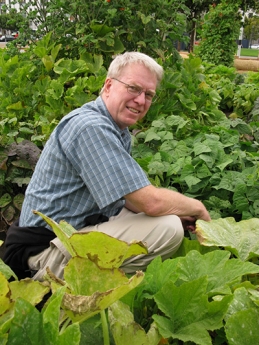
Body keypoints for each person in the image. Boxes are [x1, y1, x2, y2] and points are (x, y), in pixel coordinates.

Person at [4, 51, 211, 281]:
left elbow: (130, 199)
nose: (141, 101)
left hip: (77, 228)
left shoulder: (117, 129)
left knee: (163, 218)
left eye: (148, 94)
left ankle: (99, 285)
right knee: (168, 228)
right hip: (44, 250)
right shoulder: (90, 128)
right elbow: (150, 202)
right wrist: (197, 208)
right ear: (109, 85)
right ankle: (69, 290)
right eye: (133, 88)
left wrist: (175, 209)